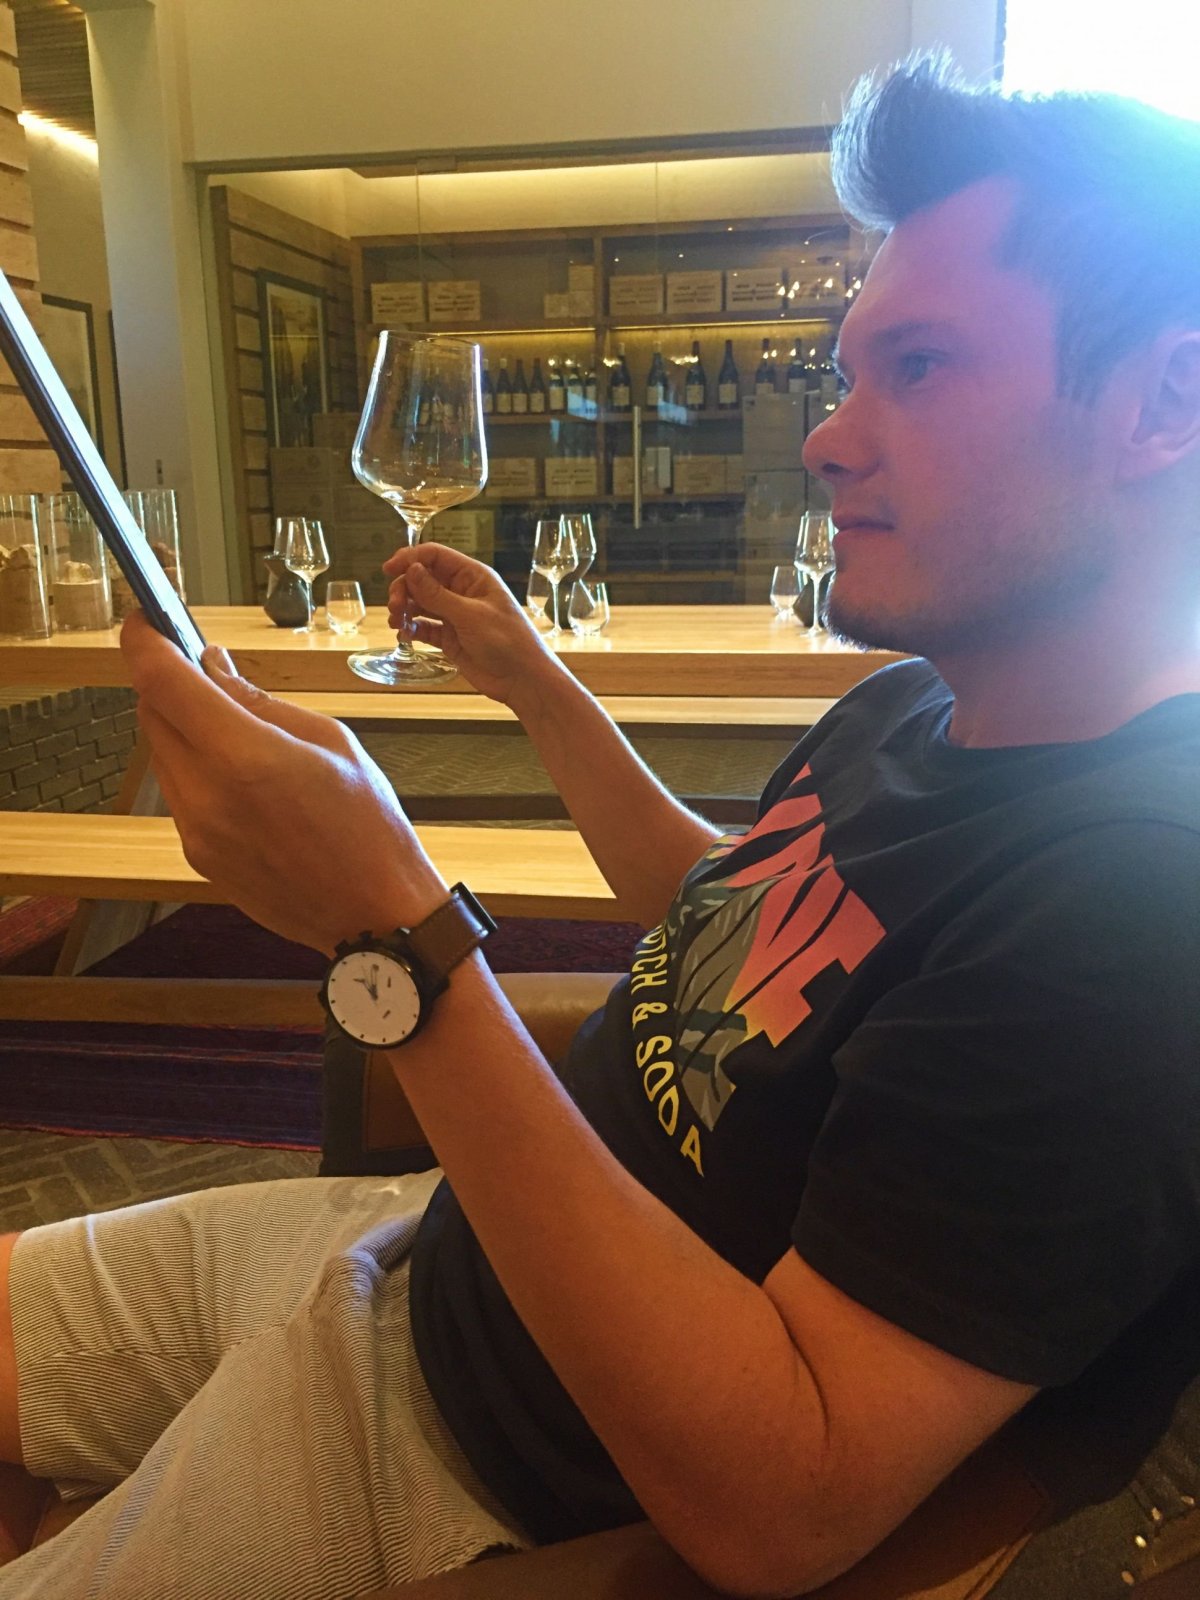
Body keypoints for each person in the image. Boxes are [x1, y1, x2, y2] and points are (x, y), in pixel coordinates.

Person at [0, 51, 1199, 1600]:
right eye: (848, 375)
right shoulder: (916, 706)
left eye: (917, 368)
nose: (829, 436)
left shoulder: (1136, 910)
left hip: (462, 1444)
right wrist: (536, 685)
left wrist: (397, 941)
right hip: (429, 1245)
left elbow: (785, 1500)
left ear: (1165, 404)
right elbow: (733, 917)